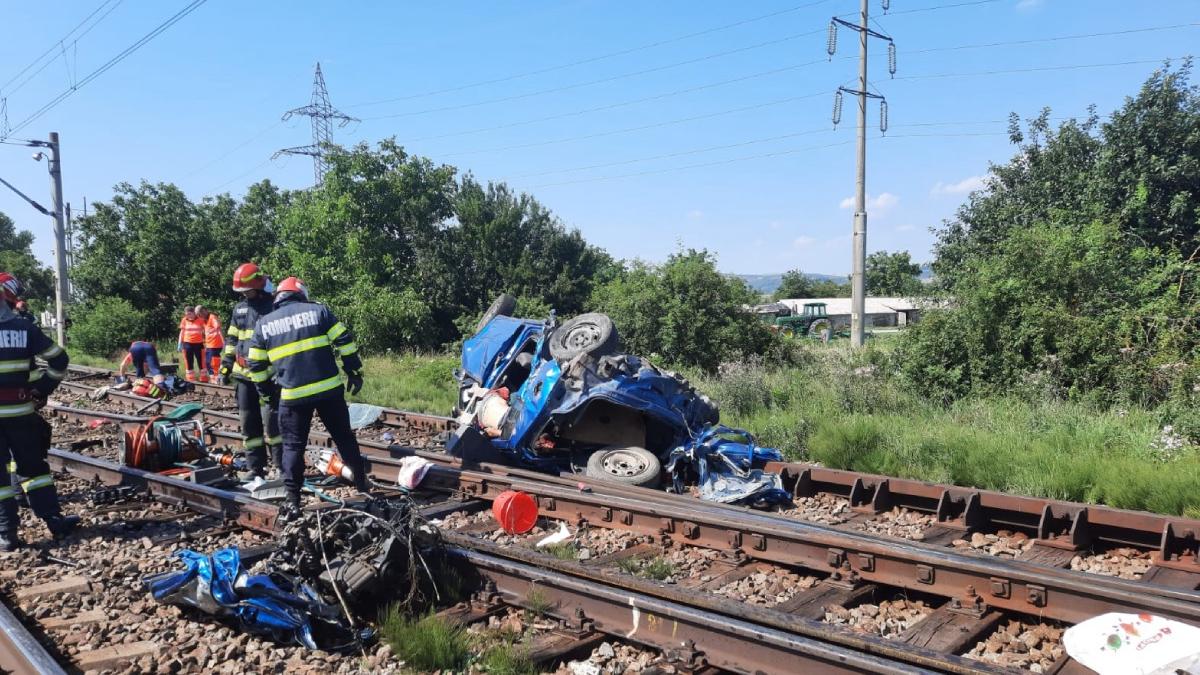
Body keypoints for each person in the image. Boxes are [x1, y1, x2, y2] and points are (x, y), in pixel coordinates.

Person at [247, 277, 367, 522]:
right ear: (300, 293)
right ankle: (363, 486)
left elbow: (255, 365)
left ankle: (293, 500)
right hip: (330, 392)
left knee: (293, 446)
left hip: (293, 397)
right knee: (344, 437)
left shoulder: (264, 324)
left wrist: (268, 394)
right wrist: (353, 372)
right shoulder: (318, 311)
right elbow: (344, 340)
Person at [0, 272, 78, 551]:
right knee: (35, 470)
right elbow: (59, 359)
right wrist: (42, 388)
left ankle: (7, 535)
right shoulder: (24, 328)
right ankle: (54, 521)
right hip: (21, 413)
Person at [218, 263, 281, 478]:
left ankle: (281, 466)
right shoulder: (240, 309)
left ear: (258, 285)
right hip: (243, 376)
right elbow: (232, 339)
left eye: (247, 290)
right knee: (249, 424)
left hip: (267, 376)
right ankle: (256, 468)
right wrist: (225, 366)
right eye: (241, 291)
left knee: (273, 424)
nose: (244, 294)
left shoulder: (274, 306)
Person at [177, 306, 206, 382]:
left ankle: (203, 378)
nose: (187, 316)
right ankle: (190, 379)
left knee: (201, 361)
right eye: (186, 314)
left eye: (189, 314)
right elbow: (182, 332)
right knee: (189, 361)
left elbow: (205, 331)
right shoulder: (184, 320)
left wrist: (206, 341)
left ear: (194, 313)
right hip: (187, 344)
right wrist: (179, 343)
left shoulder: (200, 320)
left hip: (199, 344)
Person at [197, 306, 224, 381]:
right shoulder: (205, 320)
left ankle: (217, 378)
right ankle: (213, 379)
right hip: (209, 344)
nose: (200, 316)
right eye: (198, 315)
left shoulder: (212, 317)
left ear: (204, 311)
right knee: (208, 363)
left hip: (215, 344)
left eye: (200, 314)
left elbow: (217, 326)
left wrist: (211, 331)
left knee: (213, 363)